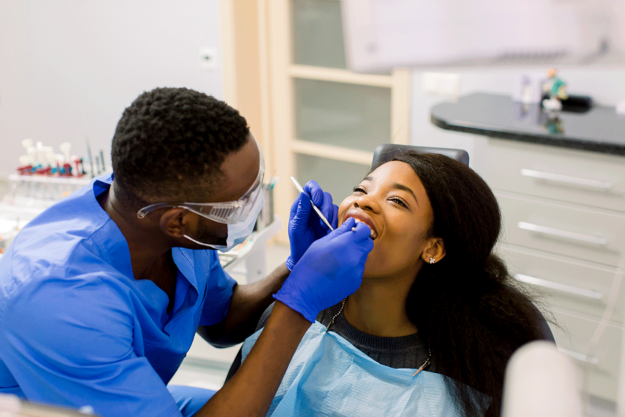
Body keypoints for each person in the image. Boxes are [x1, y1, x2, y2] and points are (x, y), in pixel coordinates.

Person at [0, 87, 374, 417]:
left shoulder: (178, 233)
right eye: (240, 203)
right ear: (178, 220)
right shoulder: (60, 296)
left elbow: (221, 321)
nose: (255, 206)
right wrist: (299, 305)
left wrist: (294, 268)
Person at [229, 151, 553, 417]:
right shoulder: (293, 312)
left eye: (397, 201)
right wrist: (295, 276)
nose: (363, 203)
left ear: (433, 247)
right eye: (361, 189)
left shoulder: (473, 366)